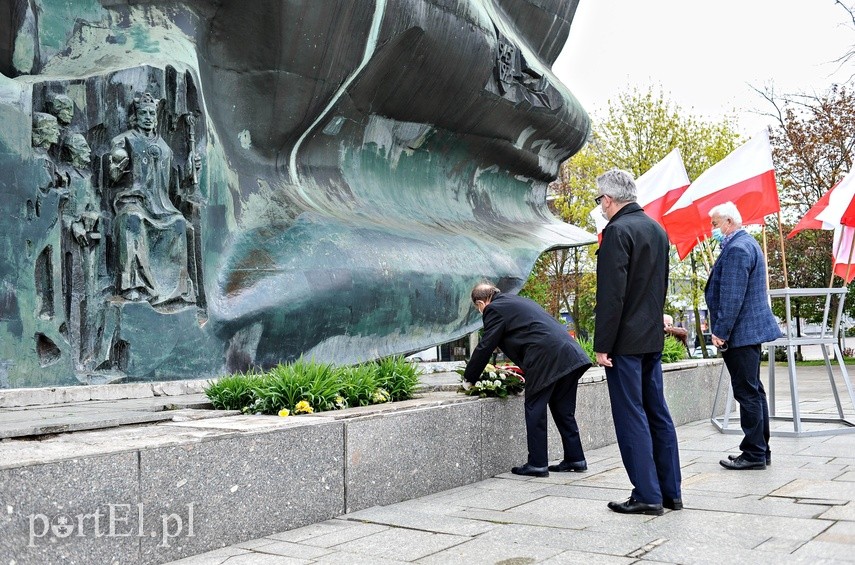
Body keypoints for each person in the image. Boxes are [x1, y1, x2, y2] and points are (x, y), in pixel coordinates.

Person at [593, 169, 682, 516]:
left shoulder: (617, 231)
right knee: (657, 412)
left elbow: (612, 296)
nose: (600, 205)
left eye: (600, 199)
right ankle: (670, 492)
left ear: (610, 199)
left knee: (632, 415)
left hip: (625, 342)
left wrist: (603, 344)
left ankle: (646, 494)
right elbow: (658, 287)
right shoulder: (656, 229)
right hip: (650, 338)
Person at [463, 282, 592, 477]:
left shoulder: (494, 309)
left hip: (546, 358)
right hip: (569, 354)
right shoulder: (516, 300)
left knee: (535, 407)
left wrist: (469, 377)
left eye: (478, 308)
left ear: (481, 302)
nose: (481, 312)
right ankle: (575, 458)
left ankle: (537, 464)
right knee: (563, 410)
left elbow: (486, 345)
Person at [705, 202, 782, 470]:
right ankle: (761, 449)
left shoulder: (737, 249)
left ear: (728, 222)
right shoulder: (747, 243)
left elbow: (732, 297)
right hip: (748, 332)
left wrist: (720, 332)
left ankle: (754, 453)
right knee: (754, 392)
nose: (712, 229)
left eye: (714, 224)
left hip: (740, 334)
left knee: (747, 393)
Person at [108, 92, 198, 305]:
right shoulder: (124, 140)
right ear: (135, 116)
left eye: (151, 113)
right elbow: (112, 176)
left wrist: (190, 170)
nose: (148, 117)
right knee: (132, 220)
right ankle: (133, 285)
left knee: (178, 224)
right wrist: (117, 167)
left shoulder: (165, 147)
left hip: (161, 205)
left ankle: (176, 289)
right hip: (134, 201)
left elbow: (175, 184)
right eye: (143, 113)